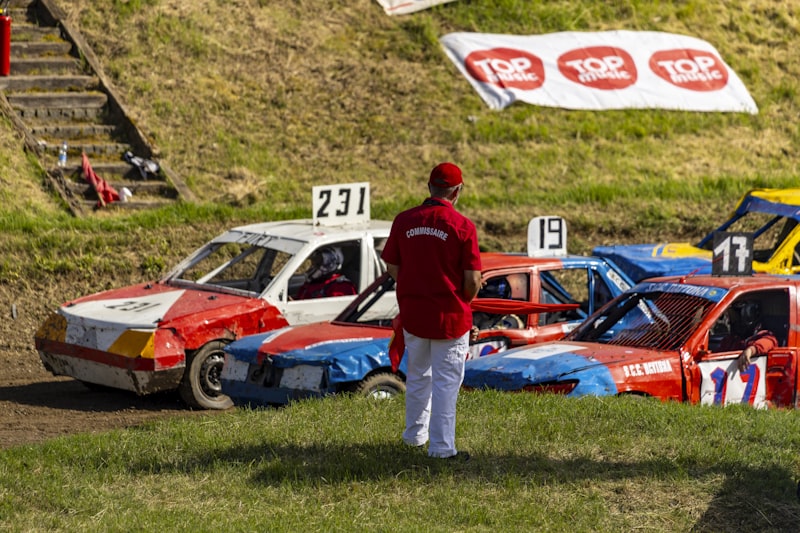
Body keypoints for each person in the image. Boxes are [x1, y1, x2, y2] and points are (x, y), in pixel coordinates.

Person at [381, 162, 481, 461]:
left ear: (429, 188)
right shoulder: (463, 226)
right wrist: (464, 296)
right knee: (446, 383)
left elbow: (392, 265)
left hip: (414, 313)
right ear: (457, 191)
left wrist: (414, 286)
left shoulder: (404, 220)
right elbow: (473, 281)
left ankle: (414, 436)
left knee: (417, 376)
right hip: (449, 317)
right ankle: (441, 448)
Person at [717, 300, 777, 373]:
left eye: (736, 317)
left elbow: (769, 342)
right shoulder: (731, 339)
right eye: (732, 316)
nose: (732, 322)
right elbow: (718, 353)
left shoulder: (762, 336)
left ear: (749, 316)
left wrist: (750, 351)